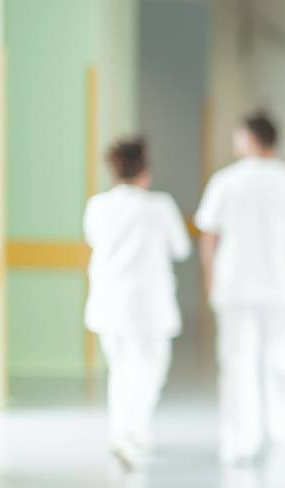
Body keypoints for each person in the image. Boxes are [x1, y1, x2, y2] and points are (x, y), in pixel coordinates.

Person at [194, 111, 285, 465]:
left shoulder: (224, 182)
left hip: (234, 288)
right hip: (283, 288)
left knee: (237, 362)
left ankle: (239, 440)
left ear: (250, 139)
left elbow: (209, 238)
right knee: (283, 358)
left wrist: (210, 278)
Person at [84, 137, 190, 469]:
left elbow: (93, 240)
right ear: (145, 171)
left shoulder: (97, 206)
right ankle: (134, 431)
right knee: (150, 369)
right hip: (149, 303)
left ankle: (122, 431)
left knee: (121, 369)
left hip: (109, 301)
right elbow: (181, 248)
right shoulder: (159, 206)